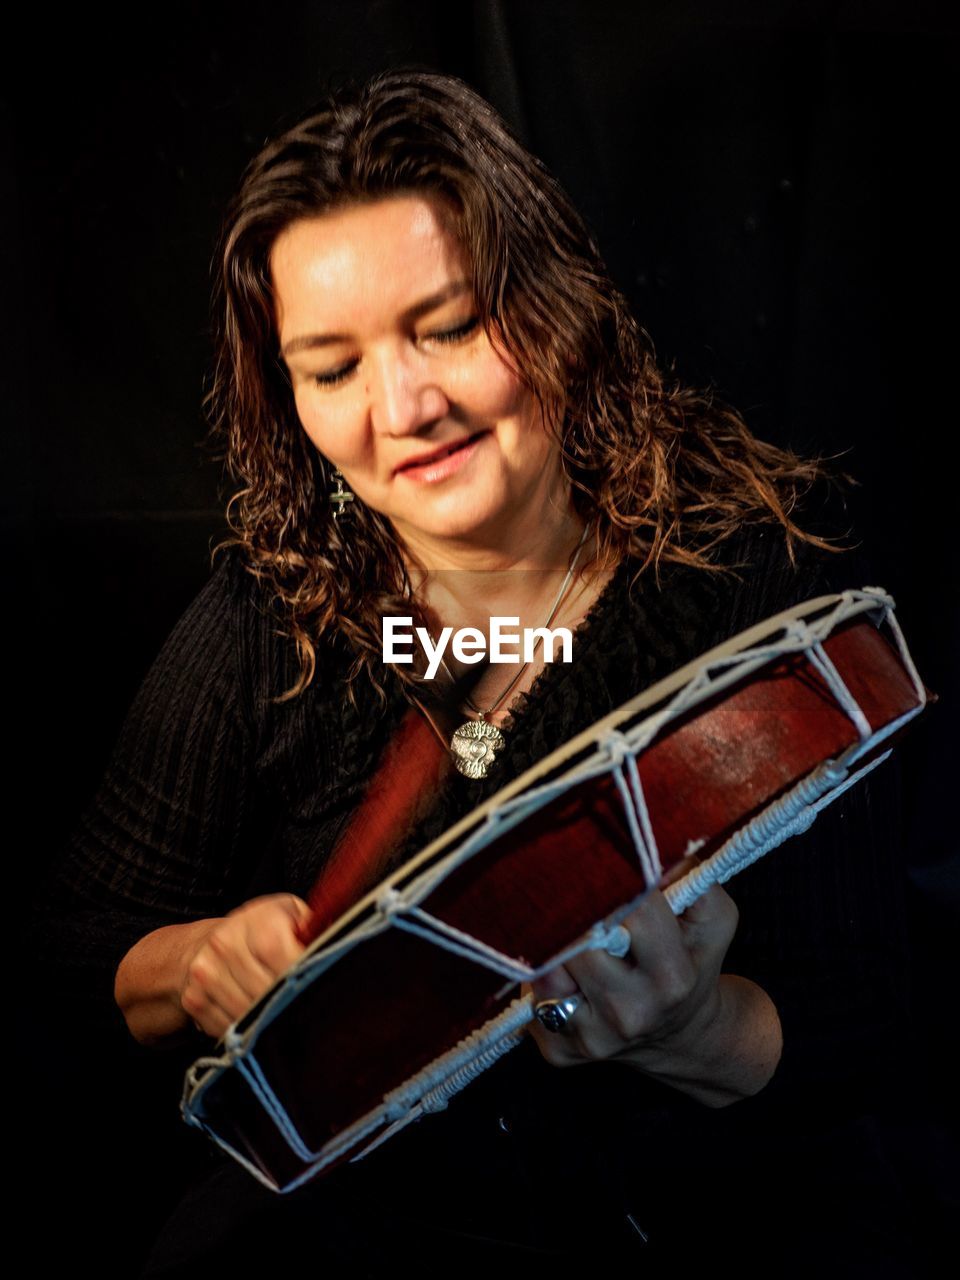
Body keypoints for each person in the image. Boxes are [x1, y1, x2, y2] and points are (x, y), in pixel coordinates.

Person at [37, 70, 918, 1275]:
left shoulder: (753, 578)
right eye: (331, 366)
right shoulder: (272, 612)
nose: (404, 406)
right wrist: (190, 962)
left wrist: (698, 1026)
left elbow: (882, 1019)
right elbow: (75, 948)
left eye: (447, 325)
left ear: (554, 303)